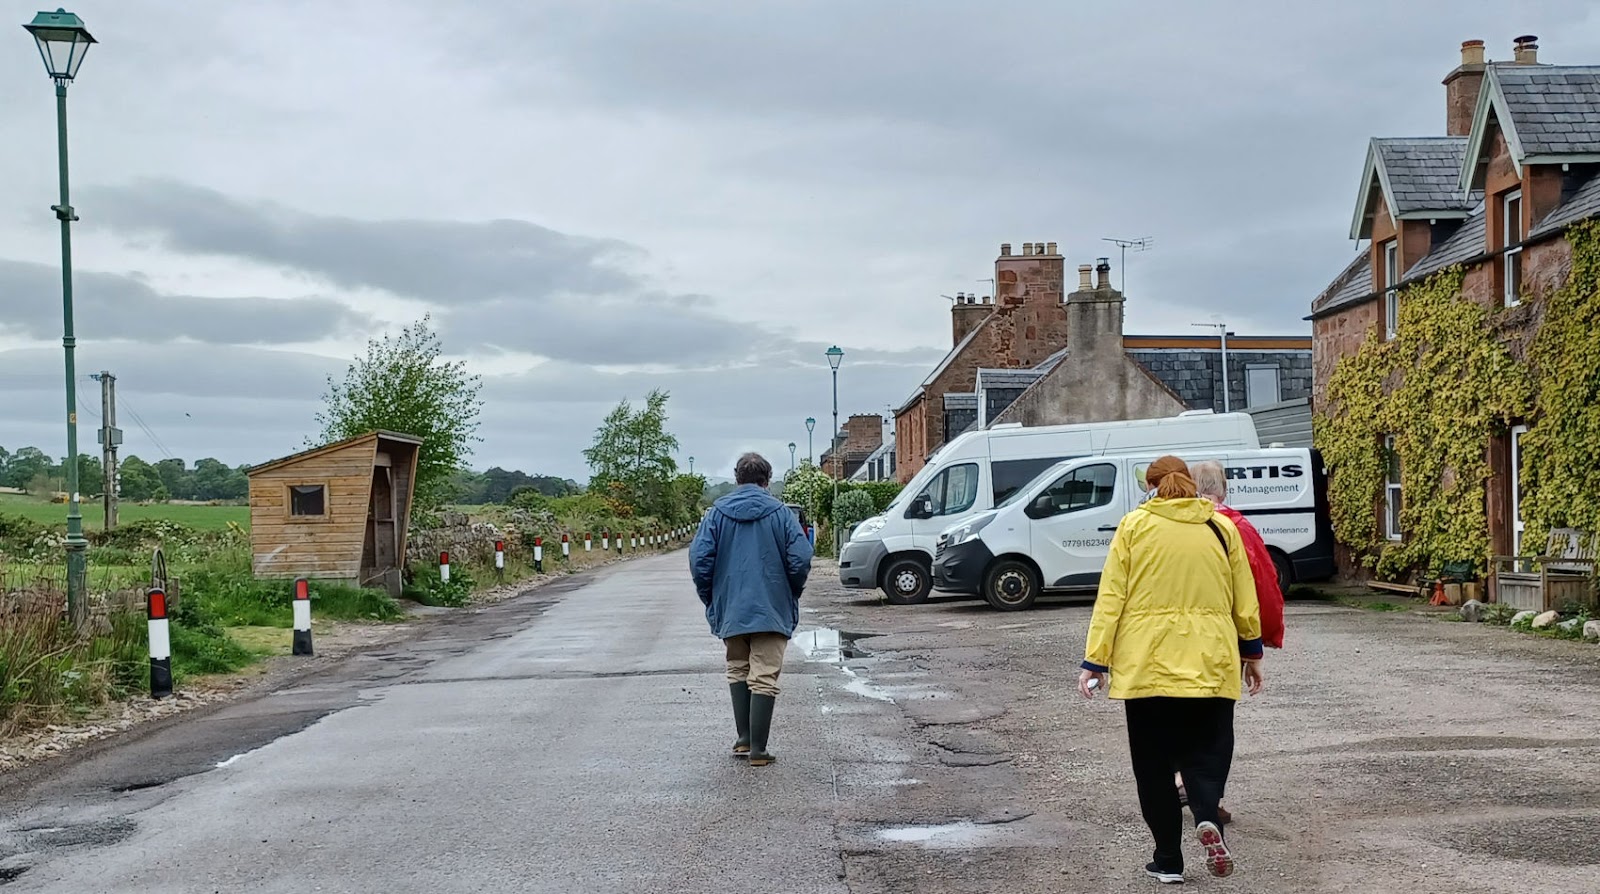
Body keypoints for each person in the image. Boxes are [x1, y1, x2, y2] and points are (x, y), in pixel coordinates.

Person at [1077, 455, 1264, 884]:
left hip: (1148, 668)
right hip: (1210, 665)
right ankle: (1205, 814)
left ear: (1153, 486)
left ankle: (1168, 861)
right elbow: (1244, 597)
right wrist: (1252, 654)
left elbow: (1111, 598)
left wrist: (1095, 661)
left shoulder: (1134, 527)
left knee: (1154, 767)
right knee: (1209, 751)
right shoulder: (1222, 528)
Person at [1167, 460, 1287, 826]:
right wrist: (1260, 642)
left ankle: (1178, 778)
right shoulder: (1234, 526)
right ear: (1223, 488)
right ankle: (1208, 796)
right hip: (1222, 638)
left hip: (1170, 636)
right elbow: (1261, 585)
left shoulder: (1161, 523)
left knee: (1177, 712)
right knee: (1215, 720)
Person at [689, 452, 813, 768]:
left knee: (738, 668)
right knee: (765, 674)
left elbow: (699, 560)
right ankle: (759, 749)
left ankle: (744, 739)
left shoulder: (715, 515)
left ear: (737, 479)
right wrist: (790, 591)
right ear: (766, 480)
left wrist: (713, 597)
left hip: (731, 607)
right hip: (771, 605)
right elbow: (800, 557)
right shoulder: (782, 514)